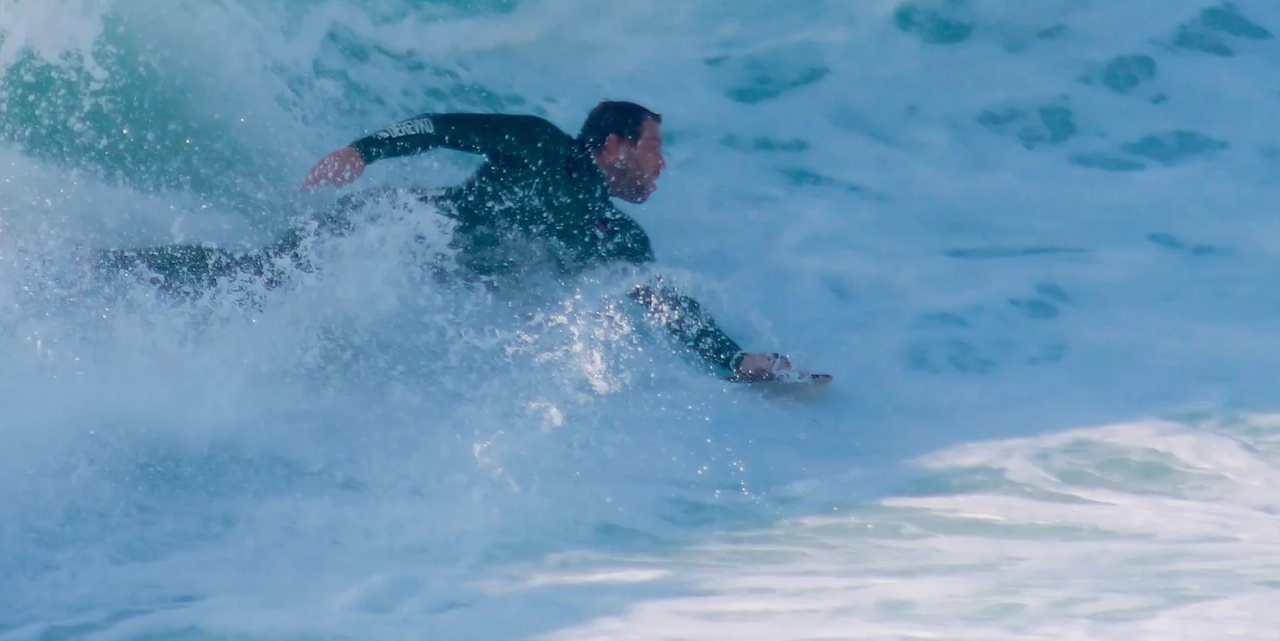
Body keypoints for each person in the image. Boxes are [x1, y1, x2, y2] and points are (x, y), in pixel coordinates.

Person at [104, 100, 816, 383]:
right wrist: (363, 150)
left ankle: (168, 349)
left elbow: (662, 305)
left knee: (284, 325)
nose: (663, 166)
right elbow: (443, 127)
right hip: (390, 237)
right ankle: (121, 272)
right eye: (655, 149)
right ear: (615, 145)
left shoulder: (616, 234)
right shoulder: (540, 144)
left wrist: (735, 359)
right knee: (252, 279)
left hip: (422, 281)